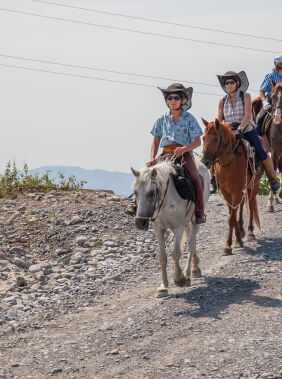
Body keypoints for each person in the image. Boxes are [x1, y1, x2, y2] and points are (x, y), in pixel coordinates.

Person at [126, 83, 206, 224]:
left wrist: (185, 149)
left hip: (184, 154)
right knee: (144, 177)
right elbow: (155, 141)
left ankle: (199, 212)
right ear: (167, 100)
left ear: (182, 100)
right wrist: (152, 158)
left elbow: (198, 142)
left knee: (195, 178)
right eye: (170, 98)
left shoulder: (189, 118)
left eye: (176, 97)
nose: (173, 100)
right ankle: (134, 205)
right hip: (165, 153)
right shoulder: (161, 119)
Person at [217, 70, 279, 193]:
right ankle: (214, 180)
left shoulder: (246, 96)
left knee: (261, 151)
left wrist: (240, 130)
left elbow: (247, 116)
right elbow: (219, 120)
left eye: (231, 82)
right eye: (226, 83)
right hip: (229, 131)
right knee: (213, 152)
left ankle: (273, 179)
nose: (229, 85)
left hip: (246, 129)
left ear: (237, 83)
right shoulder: (222, 101)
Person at [257, 54, 282, 135]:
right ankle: (258, 142)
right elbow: (261, 90)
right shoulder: (271, 75)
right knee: (259, 119)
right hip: (271, 104)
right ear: (277, 64)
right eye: (280, 63)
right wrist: (264, 102)